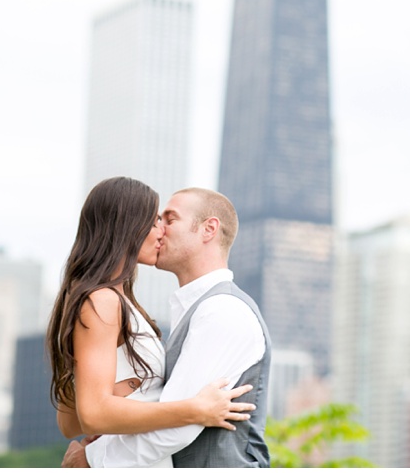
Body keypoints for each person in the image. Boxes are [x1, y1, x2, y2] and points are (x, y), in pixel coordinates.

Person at [46, 177, 256, 468]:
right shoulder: (103, 301)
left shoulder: (117, 301)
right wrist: (194, 409)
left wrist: (120, 391)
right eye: (156, 219)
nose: (162, 231)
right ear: (128, 225)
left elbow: (77, 419)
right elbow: (89, 416)